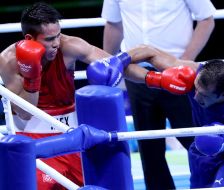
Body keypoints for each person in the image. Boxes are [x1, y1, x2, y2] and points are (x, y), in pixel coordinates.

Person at [0, 2, 148, 190]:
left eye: (58, 35)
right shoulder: (9, 60)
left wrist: (152, 79)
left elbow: (113, 64)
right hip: (34, 135)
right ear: (30, 38)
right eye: (49, 39)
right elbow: (24, 112)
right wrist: (33, 76)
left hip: (72, 134)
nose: (56, 43)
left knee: (91, 184)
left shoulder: (70, 46)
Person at [101, 0, 216, 189]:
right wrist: (106, 65)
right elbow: (114, 24)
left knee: (194, 139)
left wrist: (184, 62)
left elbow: (206, 19)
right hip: (137, 73)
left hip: (180, 74)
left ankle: (210, 186)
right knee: (149, 147)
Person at [125, 44, 224, 188]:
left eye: (204, 95)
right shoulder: (192, 73)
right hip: (201, 151)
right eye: (196, 89)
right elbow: (148, 51)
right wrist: (118, 60)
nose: (196, 97)